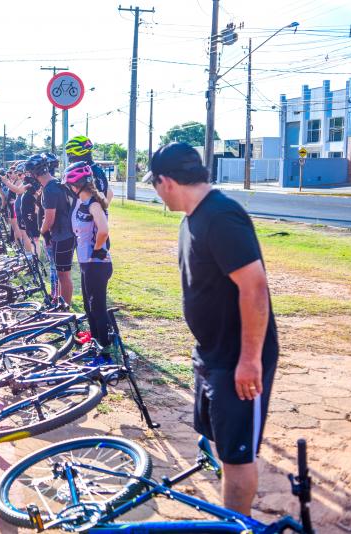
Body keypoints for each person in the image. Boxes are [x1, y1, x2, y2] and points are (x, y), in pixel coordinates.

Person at [143, 142, 279, 516]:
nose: (155, 193)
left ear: (165, 181)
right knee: (220, 441)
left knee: (237, 455)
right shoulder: (193, 219)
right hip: (212, 352)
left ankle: (240, 524)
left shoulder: (220, 215)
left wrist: (250, 360)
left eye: (153, 185)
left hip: (239, 358)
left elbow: (254, 287)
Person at [64, 162, 112, 351]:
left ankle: (105, 349)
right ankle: (94, 340)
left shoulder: (93, 204)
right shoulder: (80, 201)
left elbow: (104, 230)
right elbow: (111, 194)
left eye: (69, 185)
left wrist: (98, 249)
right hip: (86, 263)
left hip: (97, 264)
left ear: (75, 186)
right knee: (88, 304)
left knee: (97, 307)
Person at [28, 153, 75, 306]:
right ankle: (61, 304)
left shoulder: (50, 189)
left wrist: (42, 231)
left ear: (34, 174)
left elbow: (49, 218)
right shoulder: (54, 184)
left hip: (62, 236)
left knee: (63, 275)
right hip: (63, 235)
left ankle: (65, 309)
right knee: (62, 274)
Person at [65, 136, 114, 205]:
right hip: (99, 211)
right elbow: (110, 193)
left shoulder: (81, 172)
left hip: (83, 213)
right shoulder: (98, 169)